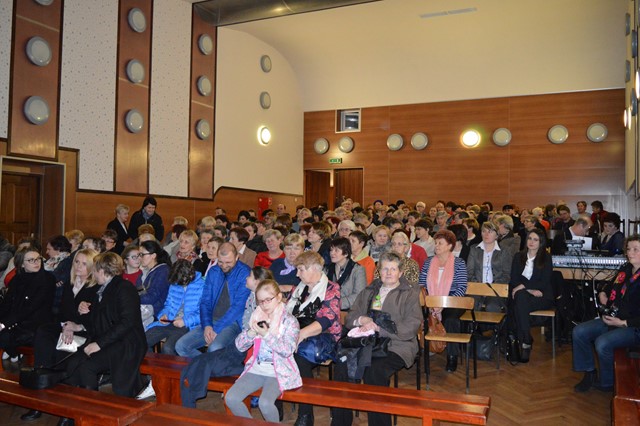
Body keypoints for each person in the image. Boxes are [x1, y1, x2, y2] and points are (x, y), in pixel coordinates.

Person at [332, 252, 422, 426]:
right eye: (385, 269)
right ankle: (340, 423)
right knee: (342, 365)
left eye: (393, 269)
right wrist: (362, 320)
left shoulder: (410, 293)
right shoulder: (369, 290)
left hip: (397, 344)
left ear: (400, 272)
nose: (388, 273)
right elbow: (350, 317)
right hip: (367, 343)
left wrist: (380, 328)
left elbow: (411, 327)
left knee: (374, 372)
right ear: (379, 271)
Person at [20, 248, 99, 422]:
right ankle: (39, 390)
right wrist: (65, 326)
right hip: (67, 327)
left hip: (86, 331)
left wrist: (76, 325)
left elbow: (98, 320)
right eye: (76, 262)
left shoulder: (96, 288)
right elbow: (62, 313)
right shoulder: (70, 284)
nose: (78, 266)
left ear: (92, 267)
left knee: (63, 351)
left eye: (84, 263)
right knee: (43, 332)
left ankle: (66, 410)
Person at [180, 267, 274, 408]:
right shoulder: (251, 295)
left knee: (212, 355)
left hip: (252, 345)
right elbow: (246, 323)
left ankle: (241, 385)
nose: (246, 278)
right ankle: (202, 381)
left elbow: (254, 327)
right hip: (243, 340)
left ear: (257, 281)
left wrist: (246, 333)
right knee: (199, 359)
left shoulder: (264, 303)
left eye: (249, 276)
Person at [62, 252, 146, 404]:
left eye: (94, 270)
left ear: (101, 271)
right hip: (109, 341)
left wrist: (99, 344)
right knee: (74, 363)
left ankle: (91, 408)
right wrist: (80, 320)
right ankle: (76, 407)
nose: (93, 274)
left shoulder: (124, 288)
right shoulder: (101, 290)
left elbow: (127, 322)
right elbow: (97, 322)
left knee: (87, 366)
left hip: (126, 343)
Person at [225, 280, 302, 423]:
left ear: (278, 297)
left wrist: (266, 335)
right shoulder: (256, 316)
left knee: (265, 403)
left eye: (268, 300)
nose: (264, 305)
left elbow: (287, 350)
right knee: (231, 398)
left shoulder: (290, 321)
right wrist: (250, 334)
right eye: (261, 301)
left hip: (278, 372)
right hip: (256, 369)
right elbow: (239, 346)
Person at [573, 235, 640, 393]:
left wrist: (623, 323)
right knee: (579, 332)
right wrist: (603, 293)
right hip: (613, 318)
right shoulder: (625, 269)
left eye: (636, 249)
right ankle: (589, 372)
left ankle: (608, 382)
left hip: (633, 326)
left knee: (602, 343)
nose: (630, 253)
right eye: (628, 249)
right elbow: (609, 286)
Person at [287, 251, 341, 426]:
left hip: (323, 338)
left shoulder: (331, 288)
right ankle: (275, 406)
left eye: (301, 269)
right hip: (298, 335)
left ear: (314, 269)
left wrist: (300, 335)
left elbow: (326, 321)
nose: (297, 274)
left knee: (298, 358)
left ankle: (306, 414)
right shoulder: (299, 289)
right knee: (273, 352)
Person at [175, 243, 251, 357]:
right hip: (211, 320)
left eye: (228, 262)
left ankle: (209, 365)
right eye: (220, 262)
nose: (224, 266)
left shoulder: (245, 273)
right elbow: (205, 301)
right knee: (181, 346)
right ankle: (205, 365)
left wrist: (217, 329)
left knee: (214, 348)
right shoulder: (214, 271)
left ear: (237, 257)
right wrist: (207, 325)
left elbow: (238, 307)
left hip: (232, 322)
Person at [418, 230, 468, 373]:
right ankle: (421, 349)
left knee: (451, 319)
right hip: (430, 301)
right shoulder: (428, 262)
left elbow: (461, 287)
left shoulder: (459, 263)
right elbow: (422, 285)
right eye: (435, 243)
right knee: (416, 314)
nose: (436, 246)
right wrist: (430, 302)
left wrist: (444, 304)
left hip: (452, 301)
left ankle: (452, 356)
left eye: (440, 243)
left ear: (450, 246)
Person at [0, 247, 55, 361]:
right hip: (17, 320)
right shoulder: (17, 278)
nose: (36, 262)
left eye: (38, 259)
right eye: (31, 260)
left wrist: (5, 324)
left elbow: (31, 307)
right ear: (22, 264)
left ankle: (13, 351)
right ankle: (11, 350)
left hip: (35, 323)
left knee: (8, 336)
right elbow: (7, 303)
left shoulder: (47, 279)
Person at [508, 229, 554, 362]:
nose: (531, 242)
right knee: (520, 299)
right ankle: (526, 341)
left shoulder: (546, 257)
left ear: (541, 242)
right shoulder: (518, 256)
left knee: (518, 303)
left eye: (535, 240)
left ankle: (523, 340)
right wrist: (528, 289)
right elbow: (514, 279)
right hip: (523, 295)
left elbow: (544, 281)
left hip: (541, 296)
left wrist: (524, 286)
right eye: (529, 238)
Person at [145, 260, 205, 355]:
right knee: (142, 342)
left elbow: (204, 313)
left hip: (188, 325)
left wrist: (185, 321)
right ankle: (154, 364)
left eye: (181, 282)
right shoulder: (175, 283)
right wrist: (164, 314)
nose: (178, 284)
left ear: (190, 276)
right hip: (170, 320)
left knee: (168, 348)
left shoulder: (202, 286)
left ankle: (176, 366)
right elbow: (168, 305)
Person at [136, 240, 172, 328]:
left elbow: (152, 297)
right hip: (145, 308)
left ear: (153, 256)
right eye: (139, 254)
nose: (139, 258)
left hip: (156, 312)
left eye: (142, 255)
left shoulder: (163, 271)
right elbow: (138, 290)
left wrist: (132, 298)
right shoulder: (145, 271)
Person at [325, 237, 367, 311]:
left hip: (349, 310)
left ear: (346, 254)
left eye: (336, 250)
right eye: (331, 250)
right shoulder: (327, 268)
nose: (332, 253)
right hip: (328, 308)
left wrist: (337, 303)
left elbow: (359, 295)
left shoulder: (358, 269)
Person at [44, 235, 73, 315]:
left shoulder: (67, 262)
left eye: (49, 249)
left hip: (58, 305)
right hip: (50, 302)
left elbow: (55, 280)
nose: (46, 252)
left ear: (58, 249)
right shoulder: (50, 262)